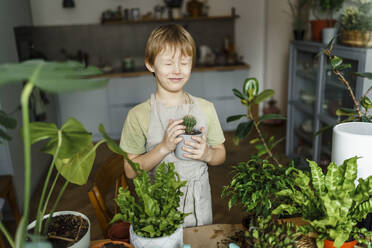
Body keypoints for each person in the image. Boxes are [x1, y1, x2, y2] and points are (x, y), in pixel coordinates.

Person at [119, 24, 226, 227]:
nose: (177, 70)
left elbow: (221, 152)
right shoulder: (138, 115)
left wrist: (208, 155)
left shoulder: (206, 108)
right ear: (150, 64)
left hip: (199, 207)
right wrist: (163, 148)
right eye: (168, 63)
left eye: (184, 63)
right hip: (159, 210)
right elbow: (130, 171)